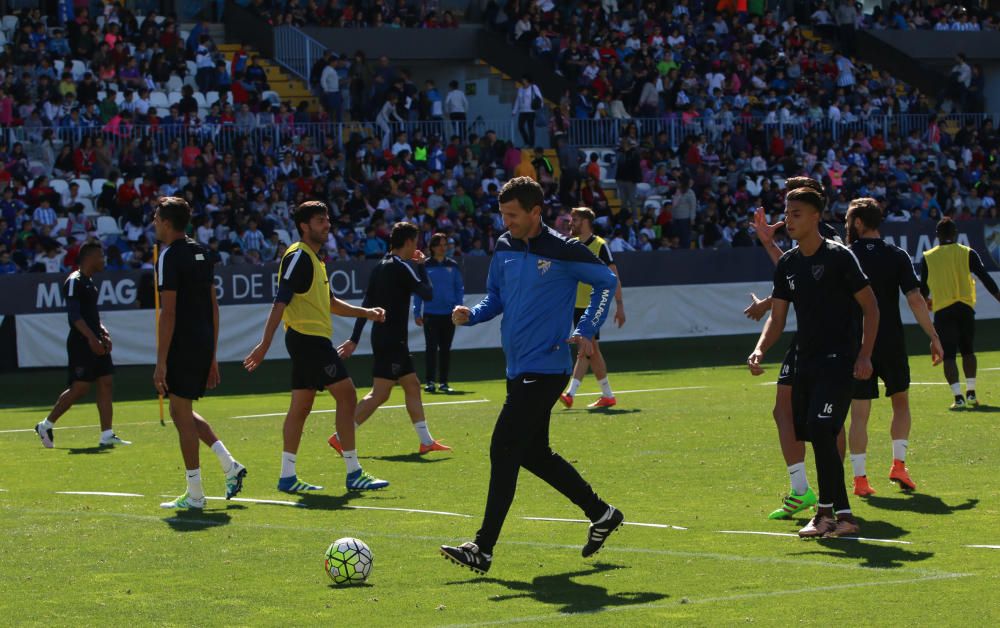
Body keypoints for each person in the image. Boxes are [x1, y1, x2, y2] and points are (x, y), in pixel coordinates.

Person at [440, 177, 623, 575]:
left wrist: (587, 327)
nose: (507, 223)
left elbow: (606, 283)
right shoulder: (504, 246)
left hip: (547, 367)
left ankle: (482, 548)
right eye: (503, 215)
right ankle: (602, 513)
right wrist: (472, 313)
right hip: (517, 367)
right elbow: (496, 296)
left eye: (513, 215)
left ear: (535, 212)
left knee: (503, 449)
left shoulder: (564, 249)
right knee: (534, 454)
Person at [748, 186, 879, 538]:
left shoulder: (839, 256)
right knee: (816, 434)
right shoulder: (789, 264)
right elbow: (777, 317)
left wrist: (865, 354)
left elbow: (871, 307)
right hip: (806, 360)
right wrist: (761, 348)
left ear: (816, 216)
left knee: (823, 430)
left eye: (796, 214)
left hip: (840, 360)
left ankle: (835, 514)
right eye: (787, 214)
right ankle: (833, 515)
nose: (789, 220)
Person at [243, 201, 390, 493]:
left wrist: (367, 312)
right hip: (307, 340)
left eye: (327, 220)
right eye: (320, 220)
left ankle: (287, 477)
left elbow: (331, 303)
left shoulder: (314, 258)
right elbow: (280, 301)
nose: (327, 225)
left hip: (309, 339)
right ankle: (353, 472)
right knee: (347, 396)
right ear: (304, 226)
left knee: (301, 407)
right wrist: (264, 344)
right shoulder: (299, 256)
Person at [743, 177, 840, 520]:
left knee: (830, 423)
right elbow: (793, 276)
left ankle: (834, 493)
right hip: (805, 341)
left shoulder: (830, 239)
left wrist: (767, 303)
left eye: (793, 202)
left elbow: (817, 281)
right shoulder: (797, 238)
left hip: (836, 343)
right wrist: (769, 245)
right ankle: (801, 490)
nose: (786, 213)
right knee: (783, 410)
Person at [845, 197, 944, 496]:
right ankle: (898, 465)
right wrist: (934, 336)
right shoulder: (897, 255)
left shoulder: (845, 255)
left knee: (859, 412)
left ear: (859, 223)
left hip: (858, 343)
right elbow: (915, 299)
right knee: (900, 402)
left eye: (850, 220)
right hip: (891, 340)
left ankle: (860, 480)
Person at [153, 197, 247, 510]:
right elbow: (213, 306)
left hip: (183, 344)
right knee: (184, 410)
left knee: (180, 414)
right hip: (202, 341)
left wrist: (161, 362)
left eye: (157, 219)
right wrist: (213, 353)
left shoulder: (169, 255)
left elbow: (168, 313)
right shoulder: (201, 252)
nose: (155, 224)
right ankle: (228, 464)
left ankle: (195, 494)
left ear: (167, 223)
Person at [330, 222, 451, 456]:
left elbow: (366, 305)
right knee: (380, 393)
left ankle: (426, 441)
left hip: (389, 339)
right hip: (392, 340)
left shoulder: (379, 266)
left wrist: (354, 338)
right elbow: (428, 293)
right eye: (415, 242)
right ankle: (340, 437)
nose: (416, 246)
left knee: (412, 385)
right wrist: (422, 266)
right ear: (407, 243)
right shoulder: (401, 267)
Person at [34, 243, 129, 449]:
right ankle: (45, 425)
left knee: (106, 382)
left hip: (95, 339)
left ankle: (107, 434)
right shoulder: (73, 281)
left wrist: (103, 332)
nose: (104, 260)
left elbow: (91, 315)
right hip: (81, 342)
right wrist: (91, 339)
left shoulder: (90, 282)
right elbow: (74, 317)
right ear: (91, 257)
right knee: (80, 387)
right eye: (101, 256)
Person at [920, 217, 1000, 409]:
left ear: (937, 236)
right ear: (955, 234)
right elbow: (986, 279)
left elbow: (922, 290)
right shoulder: (967, 253)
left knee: (948, 356)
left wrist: (926, 306)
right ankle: (971, 393)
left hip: (943, 310)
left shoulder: (928, 256)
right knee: (968, 351)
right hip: (965, 308)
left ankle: (958, 397)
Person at [559, 207, 626, 409]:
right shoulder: (572, 245)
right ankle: (607, 395)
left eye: (575, 220)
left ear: (586, 222)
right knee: (590, 349)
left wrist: (620, 305)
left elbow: (613, 277)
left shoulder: (600, 245)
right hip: (576, 306)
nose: (571, 223)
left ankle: (571, 393)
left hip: (593, 305)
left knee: (588, 348)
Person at [413, 232, 464, 393]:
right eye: (440, 245)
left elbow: (459, 288)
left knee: (445, 349)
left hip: (449, 314)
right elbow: (418, 290)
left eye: (445, 244)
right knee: (431, 349)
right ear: (433, 247)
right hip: (430, 314)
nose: (444, 248)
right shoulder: (425, 266)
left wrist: (459, 308)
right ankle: (429, 382)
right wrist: (416, 312)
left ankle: (443, 382)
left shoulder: (453, 265)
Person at [512, 75, 542, 148]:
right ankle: (526, 141)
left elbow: (539, 97)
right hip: (522, 111)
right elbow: (517, 101)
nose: (523, 82)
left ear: (528, 81)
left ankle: (531, 144)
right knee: (520, 126)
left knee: (530, 128)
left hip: (531, 111)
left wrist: (540, 107)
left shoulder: (533, 87)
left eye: (525, 80)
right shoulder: (520, 89)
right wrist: (514, 111)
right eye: (523, 80)